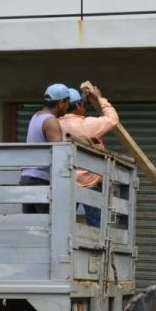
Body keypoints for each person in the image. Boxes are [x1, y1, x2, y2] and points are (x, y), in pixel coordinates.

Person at [59, 84, 119, 226]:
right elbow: (113, 119)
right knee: (96, 227)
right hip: (90, 183)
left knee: (63, 224)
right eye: (83, 105)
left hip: (67, 182)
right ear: (79, 105)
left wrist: (83, 98)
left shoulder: (55, 125)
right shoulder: (88, 124)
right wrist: (99, 98)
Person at [19, 83, 70, 214]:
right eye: (67, 103)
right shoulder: (51, 121)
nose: (67, 107)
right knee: (50, 226)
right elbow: (59, 156)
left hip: (27, 178)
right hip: (40, 180)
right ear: (61, 103)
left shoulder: (36, 116)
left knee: (33, 227)